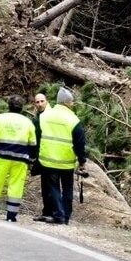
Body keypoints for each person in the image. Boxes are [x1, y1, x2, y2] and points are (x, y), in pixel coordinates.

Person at [0, 95, 37, 222]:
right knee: (16, 186)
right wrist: (31, 160)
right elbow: (33, 144)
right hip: (20, 159)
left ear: (8, 105)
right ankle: (11, 216)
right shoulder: (28, 122)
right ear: (22, 107)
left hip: (2, 157)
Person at [35, 87, 87, 225]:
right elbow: (80, 143)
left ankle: (59, 214)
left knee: (54, 188)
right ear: (67, 103)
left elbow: (38, 136)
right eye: (71, 102)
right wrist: (82, 161)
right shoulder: (73, 119)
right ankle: (66, 216)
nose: (72, 104)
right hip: (67, 162)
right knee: (67, 189)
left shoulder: (45, 115)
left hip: (48, 160)